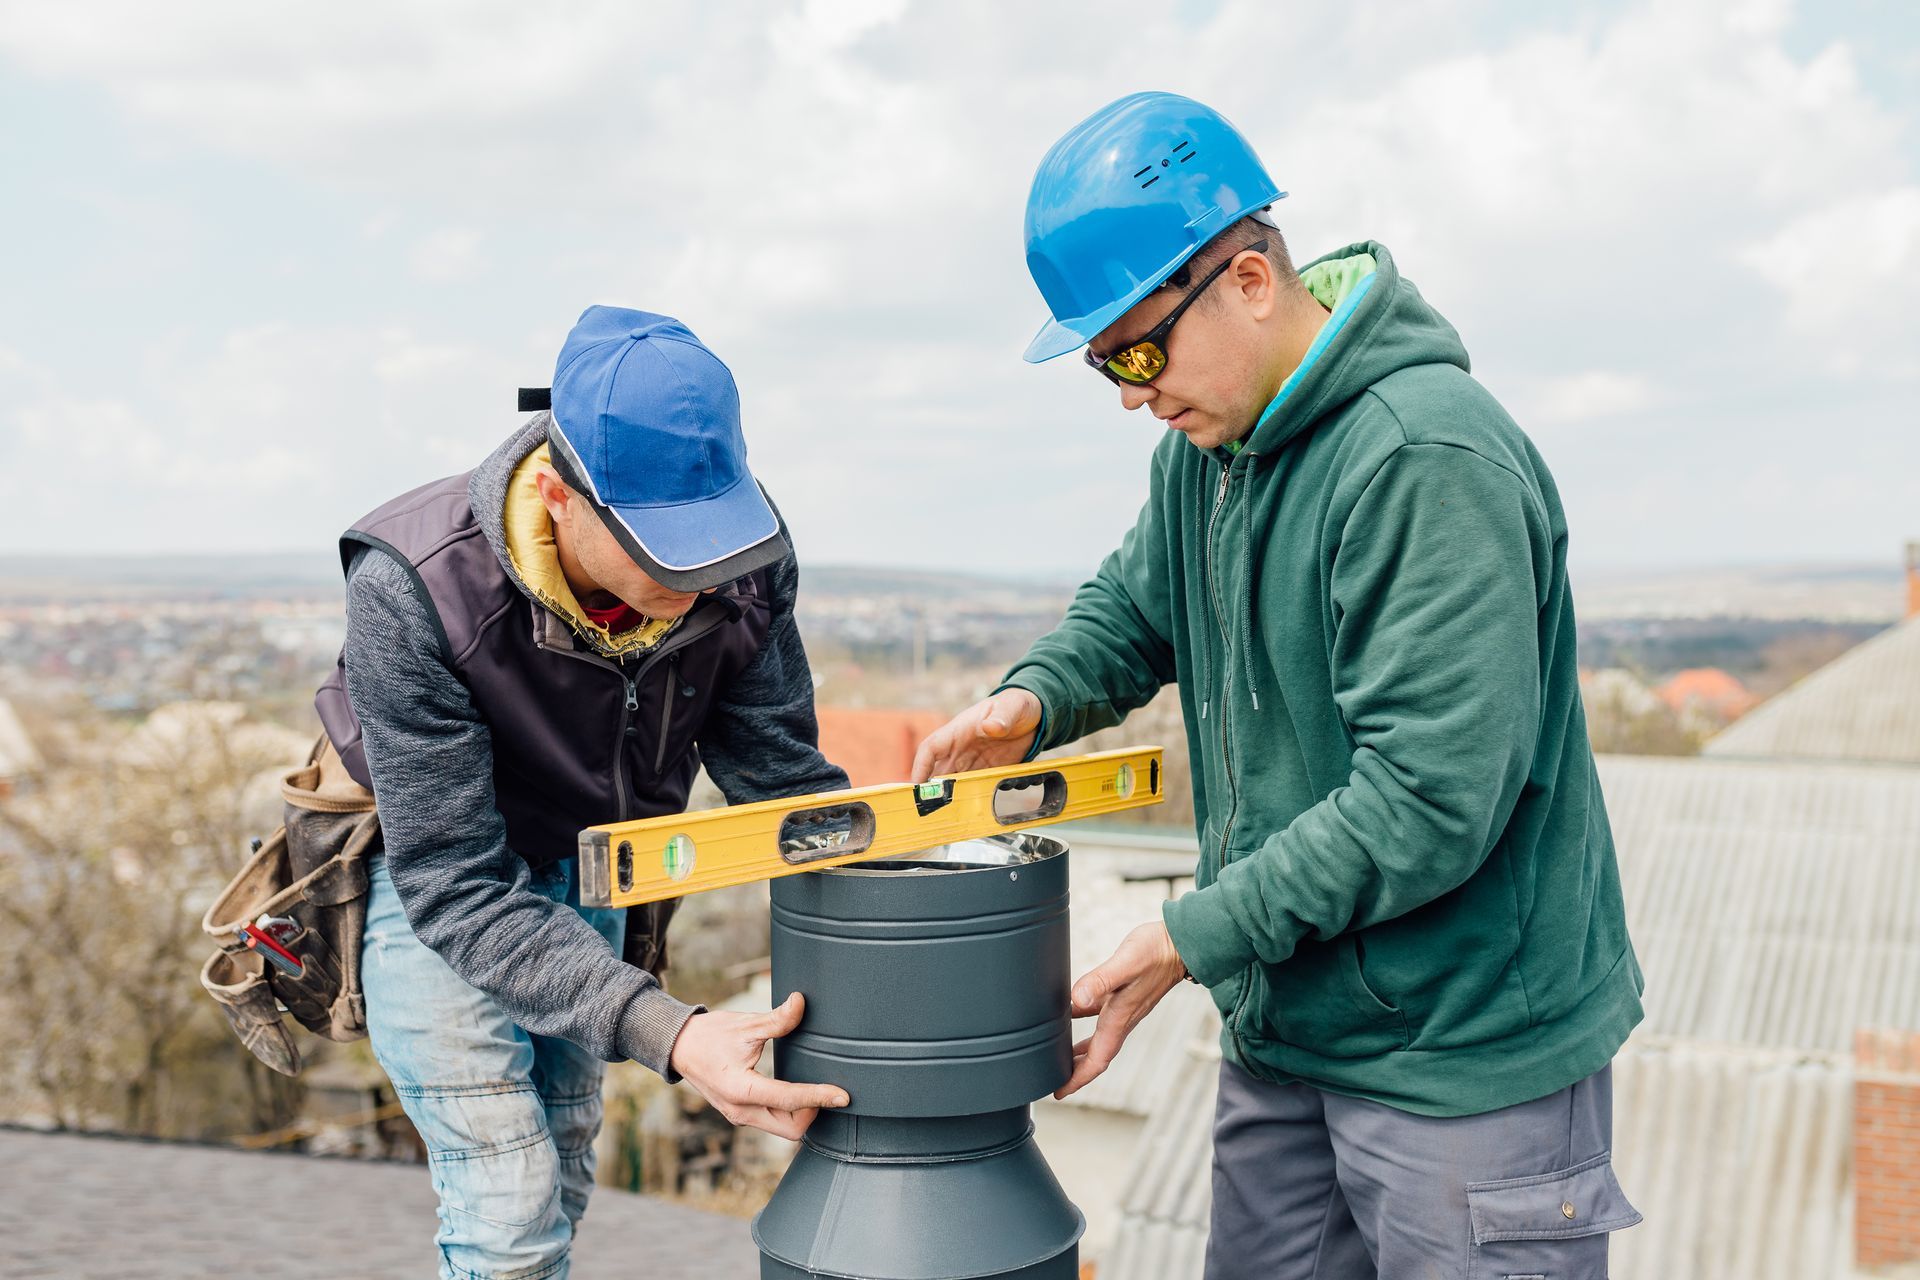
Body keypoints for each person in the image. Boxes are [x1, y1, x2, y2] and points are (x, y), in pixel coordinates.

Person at [913, 92, 1644, 1279]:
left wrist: (1190, 934)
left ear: (1250, 280)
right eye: (1105, 365)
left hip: (1463, 1064)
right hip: (1292, 1033)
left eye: (1138, 350)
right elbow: (1138, 603)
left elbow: (1426, 798)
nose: (1130, 393)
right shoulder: (1208, 453)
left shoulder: (1423, 459)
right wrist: (1037, 697)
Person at [314, 305, 849, 1280]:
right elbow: (456, 882)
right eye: (658, 549)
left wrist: (923, 879)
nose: (694, 582)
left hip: (593, 869)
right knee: (508, 1207)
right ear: (557, 493)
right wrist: (673, 1031)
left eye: (714, 548)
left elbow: (779, 774)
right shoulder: (417, 584)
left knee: (556, 1176)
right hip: (444, 881)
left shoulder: (749, 563)